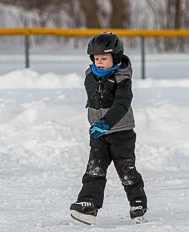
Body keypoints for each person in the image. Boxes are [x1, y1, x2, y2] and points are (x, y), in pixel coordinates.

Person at [70, 32, 147, 225]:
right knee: (94, 169)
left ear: (116, 58)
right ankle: (88, 204)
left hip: (121, 132)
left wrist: (106, 122)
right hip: (98, 133)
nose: (100, 62)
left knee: (126, 170)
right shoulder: (91, 74)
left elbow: (122, 104)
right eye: (96, 59)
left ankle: (138, 203)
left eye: (104, 58)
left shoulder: (122, 78)